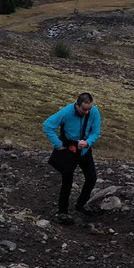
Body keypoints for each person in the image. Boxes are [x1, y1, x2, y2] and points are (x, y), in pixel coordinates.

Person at [42, 92, 102, 224]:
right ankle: (62, 212)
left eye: (89, 109)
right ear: (77, 105)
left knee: (92, 177)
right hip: (69, 150)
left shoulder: (94, 112)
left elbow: (96, 132)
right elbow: (47, 125)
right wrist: (58, 144)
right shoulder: (66, 112)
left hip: (85, 150)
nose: (87, 112)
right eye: (84, 109)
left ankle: (81, 204)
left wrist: (88, 142)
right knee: (67, 181)